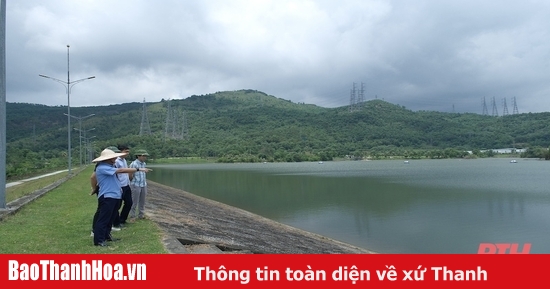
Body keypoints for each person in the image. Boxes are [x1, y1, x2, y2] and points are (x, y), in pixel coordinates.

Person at [92, 148, 151, 247]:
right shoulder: (102, 167)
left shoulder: (110, 166)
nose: (115, 159)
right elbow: (121, 170)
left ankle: (107, 236)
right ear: (107, 159)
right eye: (113, 158)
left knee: (110, 218)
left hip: (114, 195)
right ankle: (98, 240)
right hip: (108, 196)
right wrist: (138, 169)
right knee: (104, 219)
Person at [90, 146, 121, 237]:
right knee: (102, 214)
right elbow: (93, 177)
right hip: (106, 192)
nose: (116, 158)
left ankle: (106, 234)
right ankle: (96, 233)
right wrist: (94, 188)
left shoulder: (112, 164)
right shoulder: (101, 166)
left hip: (114, 192)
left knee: (110, 215)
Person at [111, 144, 133, 230]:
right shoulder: (116, 161)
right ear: (120, 151)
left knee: (129, 203)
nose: (127, 153)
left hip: (126, 185)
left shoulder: (124, 160)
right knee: (117, 205)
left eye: (128, 152)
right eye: (125, 151)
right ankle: (115, 222)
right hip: (120, 186)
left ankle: (122, 219)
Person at [129, 149, 151, 220]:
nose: (145, 157)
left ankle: (141, 214)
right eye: (143, 156)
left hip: (143, 184)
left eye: (145, 156)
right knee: (134, 201)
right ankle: (132, 216)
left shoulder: (144, 164)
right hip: (135, 184)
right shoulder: (133, 164)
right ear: (138, 156)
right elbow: (130, 174)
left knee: (142, 200)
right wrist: (132, 181)